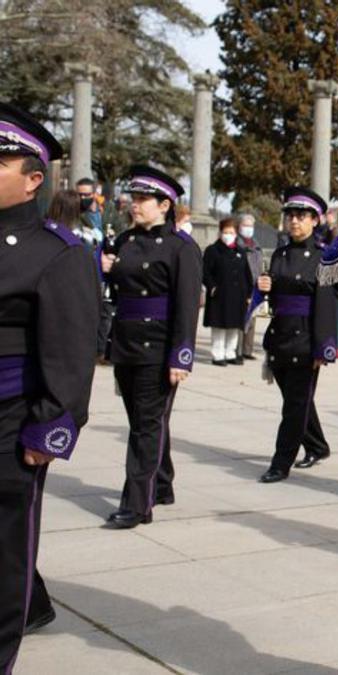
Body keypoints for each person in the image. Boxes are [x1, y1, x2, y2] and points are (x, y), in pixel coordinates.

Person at [0, 101, 100, 671]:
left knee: (6, 559)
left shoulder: (57, 253)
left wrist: (52, 427)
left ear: (34, 179)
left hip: (11, 421)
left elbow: (68, 351)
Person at [100, 165, 201, 528]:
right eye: (134, 198)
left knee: (145, 427)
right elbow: (118, 291)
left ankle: (136, 504)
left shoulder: (181, 247)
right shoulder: (125, 241)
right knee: (146, 421)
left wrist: (181, 356)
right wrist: (106, 269)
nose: (135, 205)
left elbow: (187, 306)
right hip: (126, 343)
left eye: (143, 199)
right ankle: (162, 483)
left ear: (164, 205)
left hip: (157, 348)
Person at [257, 188, 337, 483]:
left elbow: (326, 306)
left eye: (302, 216)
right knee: (298, 400)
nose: (294, 221)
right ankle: (317, 445)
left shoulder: (323, 258)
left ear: (315, 220)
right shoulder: (279, 254)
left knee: (294, 406)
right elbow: (274, 297)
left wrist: (323, 348)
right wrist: (264, 286)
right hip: (279, 336)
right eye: (290, 215)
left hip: (305, 340)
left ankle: (281, 462)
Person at [202, 218, 254, 366]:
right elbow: (205, 272)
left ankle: (230, 352)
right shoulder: (213, 250)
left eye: (231, 232)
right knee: (219, 326)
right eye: (225, 232)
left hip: (238, 296)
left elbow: (247, 273)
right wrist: (212, 287)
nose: (228, 234)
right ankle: (217, 354)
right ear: (220, 232)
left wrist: (249, 293)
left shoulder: (240, 251)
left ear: (236, 233)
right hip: (220, 295)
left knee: (234, 326)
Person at [236, 213, 263, 361]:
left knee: (252, 319)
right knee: (240, 318)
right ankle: (237, 350)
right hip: (241, 284)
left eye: (251, 226)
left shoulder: (256, 244)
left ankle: (248, 350)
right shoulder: (237, 244)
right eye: (245, 225)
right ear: (239, 226)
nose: (248, 228)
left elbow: (260, 264)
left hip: (255, 284)